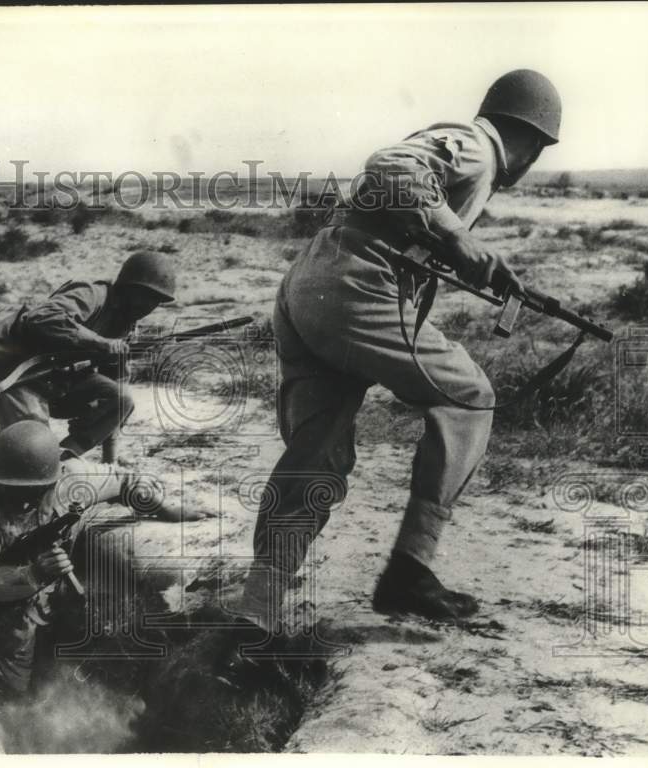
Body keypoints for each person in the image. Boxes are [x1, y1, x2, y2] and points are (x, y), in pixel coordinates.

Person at [236, 69, 561, 628]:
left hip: (309, 289)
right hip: (352, 288)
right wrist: (459, 239)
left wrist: (463, 256)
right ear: (530, 139)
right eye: (539, 149)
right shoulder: (479, 148)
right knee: (467, 397)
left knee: (319, 459)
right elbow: (392, 166)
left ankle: (252, 619)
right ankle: (410, 571)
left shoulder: (470, 159)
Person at [0, 420, 203, 692]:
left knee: (21, 661)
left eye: (31, 491)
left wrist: (166, 510)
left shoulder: (73, 481)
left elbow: (124, 480)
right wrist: (34, 574)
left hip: (32, 589)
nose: (21, 501)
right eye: (12, 490)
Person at [0, 251, 176, 462]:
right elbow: (42, 318)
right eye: (145, 297)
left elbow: (117, 390)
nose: (148, 307)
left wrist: (110, 463)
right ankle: (23, 469)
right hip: (16, 372)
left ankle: (62, 459)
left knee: (121, 399)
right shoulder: (92, 294)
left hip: (58, 381)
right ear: (128, 288)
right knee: (30, 446)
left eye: (156, 301)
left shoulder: (125, 324)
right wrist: (101, 342)